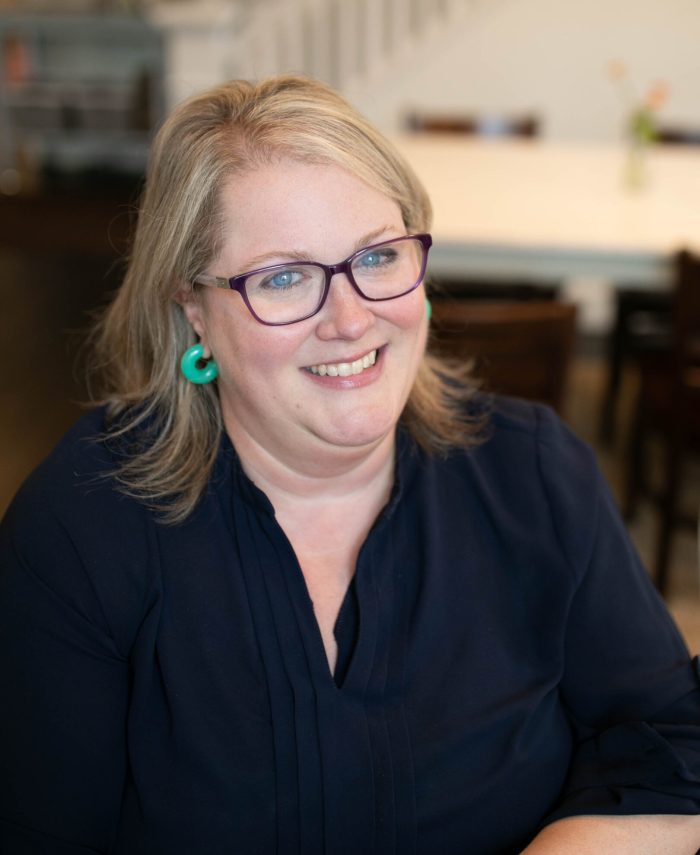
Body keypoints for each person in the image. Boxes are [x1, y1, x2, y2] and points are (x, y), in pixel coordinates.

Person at [0, 75, 698, 855]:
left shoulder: (532, 473)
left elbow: (672, 742)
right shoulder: (82, 524)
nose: (353, 317)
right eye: (285, 277)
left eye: (377, 256)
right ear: (192, 309)